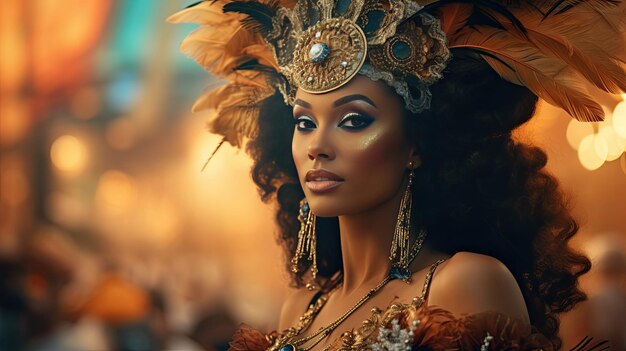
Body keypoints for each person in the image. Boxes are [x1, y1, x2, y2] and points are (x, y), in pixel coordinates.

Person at [169, 0, 626, 350]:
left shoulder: (462, 283)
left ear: (416, 144)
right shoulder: (301, 309)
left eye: (353, 121)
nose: (317, 146)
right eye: (304, 122)